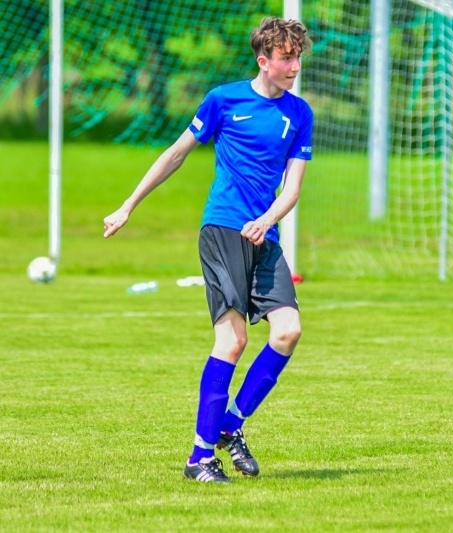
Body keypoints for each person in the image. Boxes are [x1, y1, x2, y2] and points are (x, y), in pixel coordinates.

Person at [103, 17, 314, 483]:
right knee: (233, 341)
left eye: (298, 57)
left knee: (288, 331)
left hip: (265, 236)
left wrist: (268, 220)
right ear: (264, 61)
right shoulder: (224, 99)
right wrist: (128, 206)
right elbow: (175, 154)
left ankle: (231, 426)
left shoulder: (300, 115)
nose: (294, 66)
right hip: (222, 230)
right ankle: (199, 457)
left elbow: (292, 188)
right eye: (286, 58)